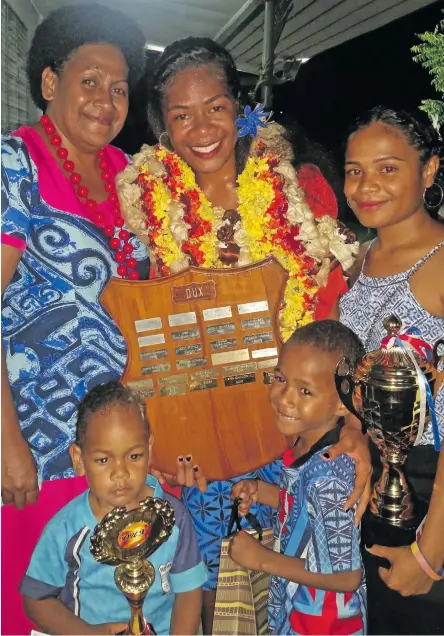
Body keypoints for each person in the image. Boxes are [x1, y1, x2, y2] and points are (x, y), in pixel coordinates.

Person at [116, 36, 371, 633]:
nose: (201, 127)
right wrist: (160, 438)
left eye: (215, 106)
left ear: (241, 108)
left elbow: (338, 316)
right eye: (181, 114)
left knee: (288, 590)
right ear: (163, 129)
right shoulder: (144, 206)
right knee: (200, 588)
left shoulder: (299, 188)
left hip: (294, 432)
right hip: (198, 439)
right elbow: (142, 329)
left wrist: (353, 419)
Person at [1, 3, 150, 509]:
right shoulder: (14, 166)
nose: (105, 101)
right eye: (89, 81)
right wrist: (7, 442)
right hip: (39, 448)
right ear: (49, 83)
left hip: (128, 453)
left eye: (118, 88)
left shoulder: (132, 174)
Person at [337, 107, 444, 633]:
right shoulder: (353, 260)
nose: (365, 186)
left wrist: (430, 553)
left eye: (387, 168)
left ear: (428, 170)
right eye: (355, 170)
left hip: (431, 495)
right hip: (368, 488)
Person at [20, 381, 207, 635]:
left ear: (149, 449)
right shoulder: (66, 529)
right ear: (79, 459)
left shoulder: (172, 518)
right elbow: (36, 599)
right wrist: (87, 633)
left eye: (134, 456)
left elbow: (188, 590)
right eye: (104, 460)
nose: (120, 473)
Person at [230, 320, 367, 635]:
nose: (285, 398)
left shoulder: (330, 474)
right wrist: (263, 491)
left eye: (305, 390)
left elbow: (346, 576)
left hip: (323, 624)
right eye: (280, 379)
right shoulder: (307, 444)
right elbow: (306, 512)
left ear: (341, 403)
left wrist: (263, 561)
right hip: (298, 610)